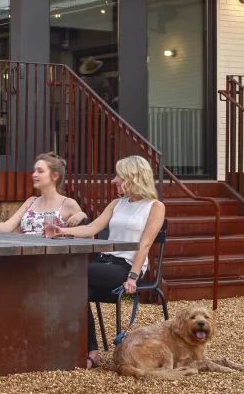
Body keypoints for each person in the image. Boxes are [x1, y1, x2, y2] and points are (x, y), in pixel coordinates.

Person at [55, 155, 166, 370]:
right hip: (105, 262)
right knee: (79, 289)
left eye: (118, 176)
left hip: (125, 267)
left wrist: (133, 276)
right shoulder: (117, 203)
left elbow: (144, 245)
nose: (114, 181)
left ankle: (88, 350)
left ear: (132, 177)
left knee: (72, 275)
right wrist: (63, 231)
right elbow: (92, 229)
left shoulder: (155, 207)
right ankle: (91, 351)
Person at [0, 153, 86, 233]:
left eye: (40, 171)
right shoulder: (31, 201)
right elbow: (8, 226)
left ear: (54, 176)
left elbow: (88, 235)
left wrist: (83, 216)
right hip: (24, 256)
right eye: (34, 170)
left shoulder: (68, 204)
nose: (34, 174)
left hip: (53, 260)